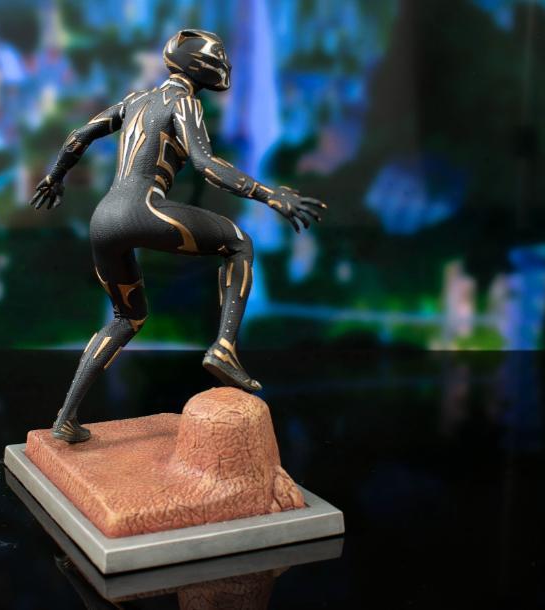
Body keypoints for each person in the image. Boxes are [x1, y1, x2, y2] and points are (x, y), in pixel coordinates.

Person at [31, 29, 327, 443]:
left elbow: (78, 136)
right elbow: (206, 164)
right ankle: (224, 348)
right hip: (144, 209)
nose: (225, 63)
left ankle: (65, 418)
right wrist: (268, 194)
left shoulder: (135, 100)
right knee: (239, 244)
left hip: (105, 219)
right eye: (218, 55)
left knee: (126, 318)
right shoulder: (184, 102)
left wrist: (55, 177)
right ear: (199, 64)